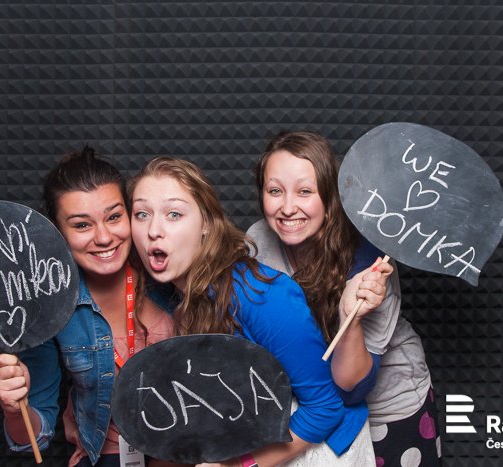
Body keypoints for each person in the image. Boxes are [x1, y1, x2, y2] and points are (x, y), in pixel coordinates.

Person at [128, 157, 375, 466]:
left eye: (174, 214)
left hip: (314, 449)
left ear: (206, 224)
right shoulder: (167, 294)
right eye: (142, 214)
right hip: (249, 444)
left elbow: (325, 409)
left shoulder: (259, 295)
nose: (154, 230)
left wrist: (239, 465)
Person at [247, 131, 441, 466]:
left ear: (330, 195)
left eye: (305, 191)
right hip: (312, 404)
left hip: (387, 409)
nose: (288, 208)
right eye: (275, 191)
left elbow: (352, 388)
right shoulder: (258, 242)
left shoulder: (371, 264)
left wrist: (350, 317)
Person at [0, 147, 179, 467]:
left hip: (185, 455)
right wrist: (14, 408)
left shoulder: (172, 276)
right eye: (82, 225)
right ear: (57, 232)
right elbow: (33, 439)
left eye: (114, 217)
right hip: (107, 458)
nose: (103, 237)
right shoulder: (48, 307)